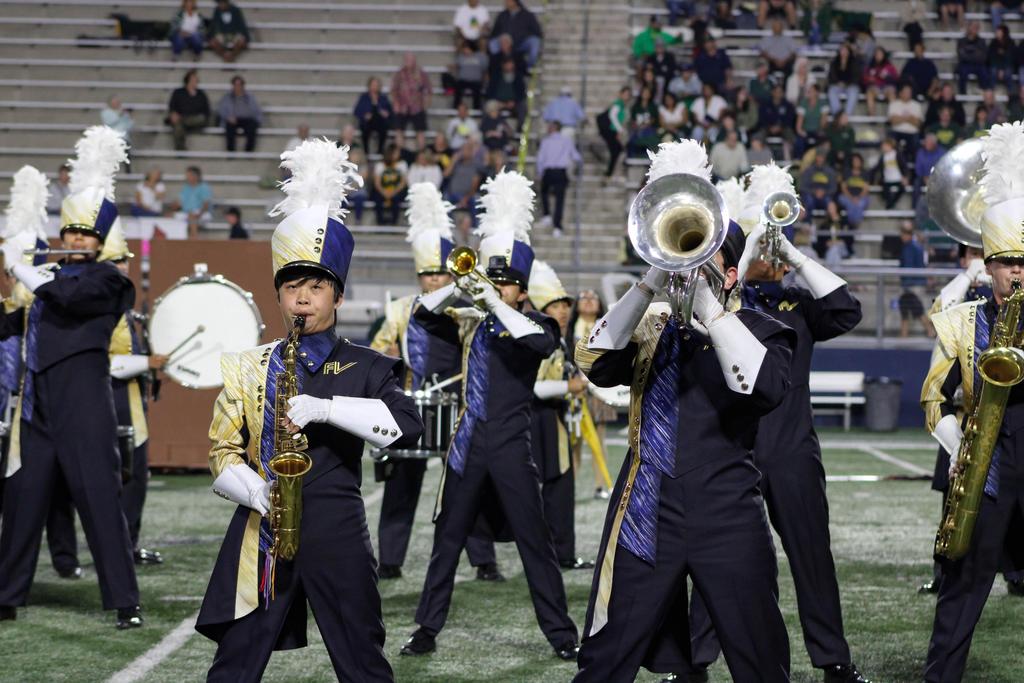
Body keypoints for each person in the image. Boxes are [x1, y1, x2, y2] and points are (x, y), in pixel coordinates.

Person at [196, 139, 422, 681]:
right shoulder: (249, 366)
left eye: (317, 286)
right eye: (292, 286)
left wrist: (326, 407)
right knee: (234, 661)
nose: (302, 297)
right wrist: (257, 493)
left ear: (337, 297)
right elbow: (221, 451)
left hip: (337, 530)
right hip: (261, 526)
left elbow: (407, 428)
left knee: (362, 660)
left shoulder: (368, 364)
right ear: (278, 296)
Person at [573, 140, 795, 682]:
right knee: (606, 654)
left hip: (728, 509)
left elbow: (764, 388)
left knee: (759, 656)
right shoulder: (649, 325)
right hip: (644, 506)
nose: (690, 266)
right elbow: (593, 361)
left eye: (704, 254)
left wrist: (710, 311)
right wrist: (651, 277)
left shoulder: (761, 330)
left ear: (732, 273)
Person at [684, 164, 870, 683]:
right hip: (731, 453)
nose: (768, 252)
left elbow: (846, 310)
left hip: (790, 450)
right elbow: (717, 300)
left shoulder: (799, 304)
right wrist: (744, 255)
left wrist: (794, 255)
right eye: (759, 243)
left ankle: (833, 659)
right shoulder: (725, 298)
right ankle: (696, 659)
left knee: (812, 555)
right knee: (716, 557)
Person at [400, 170, 579, 660]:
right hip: (467, 444)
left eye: (505, 283)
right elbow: (422, 313)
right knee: (447, 539)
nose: (496, 288)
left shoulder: (533, 321)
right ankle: (426, 629)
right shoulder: (470, 320)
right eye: (493, 280)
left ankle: (562, 635)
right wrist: (461, 282)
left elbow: (541, 343)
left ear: (521, 290)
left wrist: (496, 305)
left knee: (534, 541)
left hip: (510, 443)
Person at [0, 127, 141, 629]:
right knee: (22, 503)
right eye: (72, 233)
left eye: (86, 234)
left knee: (100, 503)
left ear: (100, 241)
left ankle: (125, 601)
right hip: (39, 409)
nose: (77, 240)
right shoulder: (49, 279)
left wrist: (23, 269)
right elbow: (14, 325)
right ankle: (6, 595)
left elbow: (69, 299)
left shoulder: (109, 280)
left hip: (84, 408)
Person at [921, 121, 1024, 681]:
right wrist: (964, 448)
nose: (1017, 272)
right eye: (1008, 262)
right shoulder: (961, 321)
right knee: (964, 587)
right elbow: (933, 398)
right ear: (989, 266)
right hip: (988, 467)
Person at [369, 184, 500, 581]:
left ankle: (484, 560)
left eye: (440, 273)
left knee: (465, 481)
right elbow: (376, 354)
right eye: (427, 275)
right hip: (412, 403)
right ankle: (390, 559)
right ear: (419, 276)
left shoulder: (466, 308)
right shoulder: (398, 309)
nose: (433, 281)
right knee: (401, 484)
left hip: (457, 404)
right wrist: (388, 353)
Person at [918, 242, 991, 596]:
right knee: (953, 497)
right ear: (962, 259)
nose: (978, 259)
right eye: (971, 254)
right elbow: (938, 312)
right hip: (959, 419)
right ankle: (944, 569)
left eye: (983, 253)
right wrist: (966, 276)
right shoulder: (960, 294)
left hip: (993, 410)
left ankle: (1015, 572)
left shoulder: (1003, 294)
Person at [527, 261, 593, 571]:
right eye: (555, 306)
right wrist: (568, 386)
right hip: (537, 420)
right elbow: (533, 387)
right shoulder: (539, 341)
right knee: (542, 491)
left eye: (565, 305)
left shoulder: (562, 340)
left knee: (561, 489)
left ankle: (562, 553)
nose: (563, 311)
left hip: (555, 420)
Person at [107, 249, 169, 566]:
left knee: (136, 480)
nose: (122, 266)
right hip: (110, 402)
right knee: (119, 481)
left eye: (123, 260)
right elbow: (104, 362)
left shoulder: (126, 308)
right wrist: (147, 362)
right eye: (114, 261)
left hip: (130, 403)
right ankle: (110, 551)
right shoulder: (100, 309)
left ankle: (126, 547)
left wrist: (150, 368)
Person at [567, 290, 615, 499]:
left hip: (599, 390)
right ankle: (570, 487)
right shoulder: (569, 331)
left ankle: (600, 485)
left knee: (599, 439)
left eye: (593, 297)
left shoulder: (608, 329)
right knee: (574, 440)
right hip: (574, 391)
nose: (587, 301)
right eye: (583, 297)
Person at [536, 122, 581, 237]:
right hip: (561, 173)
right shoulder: (567, 141)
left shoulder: (546, 141)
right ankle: (557, 226)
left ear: (553, 128)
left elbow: (540, 159)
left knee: (544, 192)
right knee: (559, 199)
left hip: (549, 172)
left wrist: (540, 173)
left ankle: (547, 215)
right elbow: (576, 156)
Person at [897, 222, 933, 338]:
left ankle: (930, 331)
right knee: (906, 311)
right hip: (912, 284)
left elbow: (908, 268)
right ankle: (904, 335)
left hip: (912, 285)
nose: (902, 236)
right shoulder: (912, 246)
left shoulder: (911, 248)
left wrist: (906, 286)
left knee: (917, 310)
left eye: (903, 233)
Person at [391, 53, 433, 151]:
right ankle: (400, 153)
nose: (409, 62)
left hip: (417, 107)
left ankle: (421, 153)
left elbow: (428, 89)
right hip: (402, 107)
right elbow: (394, 90)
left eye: (411, 60)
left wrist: (426, 102)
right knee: (398, 130)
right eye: (407, 60)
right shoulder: (399, 74)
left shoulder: (421, 74)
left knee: (420, 131)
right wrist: (395, 103)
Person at [488, 0, 543, 68]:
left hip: (521, 43)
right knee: (493, 43)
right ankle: (497, 67)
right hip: (504, 43)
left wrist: (522, 36)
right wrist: (503, 39)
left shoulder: (527, 15)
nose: (506, 2)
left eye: (508, 1)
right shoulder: (502, 15)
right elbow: (494, 32)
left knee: (535, 41)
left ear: (515, 2)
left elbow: (537, 32)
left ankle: (528, 67)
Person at [443, 137, 485, 223]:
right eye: (462, 150)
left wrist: (465, 199)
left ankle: (475, 226)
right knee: (445, 198)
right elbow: (445, 174)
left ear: (471, 151)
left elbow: (474, 185)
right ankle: (448, 226)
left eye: (466, 150)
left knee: (476, 199)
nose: (463, 152)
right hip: (453, 194)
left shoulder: (476, 165)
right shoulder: (457, 163)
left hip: (469, 195)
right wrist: (453, 161)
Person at [166, 69, 209, 151]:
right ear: (188, 80)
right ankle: (180, 149)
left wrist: (179, 117)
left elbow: (206, 111)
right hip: (181, 119)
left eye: (196, 79)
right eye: (194, 79)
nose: (196, 81)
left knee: (199, 118)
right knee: (178, 126)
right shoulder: (178, 92)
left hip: (196, 119)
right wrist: (173, 114)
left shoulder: (201, 94)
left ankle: (181, 120)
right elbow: (172, 107)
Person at [217, 75, 261, 153]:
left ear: (243, 86)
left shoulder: (250, 97)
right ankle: (231, 152)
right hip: (232, 119)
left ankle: (248, 152)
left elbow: (256, 110)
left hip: (247, 119)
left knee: (253, 126)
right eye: (236, 85)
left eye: (239, 85)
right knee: (229, 126)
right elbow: (221, 110)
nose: (238, 87)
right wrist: (228, 117)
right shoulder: (227, 97)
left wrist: (256, 120)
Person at [597, 87, 630, 182]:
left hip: (614, 131)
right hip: (611, 131)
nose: (626, 96)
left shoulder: (623, 106)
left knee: (617, 151)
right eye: (625, 94)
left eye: (628, 95)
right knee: (616, 151)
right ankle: (608, 174)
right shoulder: (618, 104)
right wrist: (619, 130)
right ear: (621, 94)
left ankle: (609, 173)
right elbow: (612, 116)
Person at [353, 77, 393, 156]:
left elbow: (390, 112)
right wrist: (364, 115)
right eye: (373, 85)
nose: (375, 87)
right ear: (369, 86)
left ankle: (380, 150)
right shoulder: (364, 97)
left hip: (380, 122)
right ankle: (366, 151)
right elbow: (356, 111)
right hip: (368, 122)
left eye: (376, 85)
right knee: (364, 129)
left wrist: (386, 113)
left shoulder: (383, 97)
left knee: (384, 128)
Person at [887, 83, 923, 167]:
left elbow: (918, 123)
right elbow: (893, 121)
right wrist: (910, 118)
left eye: (909, 92)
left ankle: (915, 167)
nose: (908, 94)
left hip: (912, 133)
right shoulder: (894, 104)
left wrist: (900, 118)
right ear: (900, 93)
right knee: (890, 141)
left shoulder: (916, 105)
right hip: (896, 132)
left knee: (916, 143)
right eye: (906, 92)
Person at [372, 144, 409, 226]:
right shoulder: (380, 165)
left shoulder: (402, 164)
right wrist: (384, 193)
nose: (399, 154)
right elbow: (377, 183)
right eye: (396, 152)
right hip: (382, 190)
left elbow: (403, 183)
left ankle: (394, 222)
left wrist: (393, 192)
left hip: (397, 191)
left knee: (396, 199)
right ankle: (380, 222)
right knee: (377, 199)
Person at [486, 57, 527, 130]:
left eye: (511, 64)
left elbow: (522, 93)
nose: (509, 67)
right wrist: (501, 102)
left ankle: (520, 129)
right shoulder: (496, 76)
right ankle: (488, 128)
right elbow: (490, 91)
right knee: (489, 105)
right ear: (503, 65)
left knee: (523, 106)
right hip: (498, 101)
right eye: (507, 64)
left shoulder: (518, 76)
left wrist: (514, 101)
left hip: (514, 102)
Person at [174, 166, 213, 238]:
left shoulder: (204, 187)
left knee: (192, 218)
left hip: (202, 213)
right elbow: (179, 202)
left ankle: (194, 240)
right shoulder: (186, 188)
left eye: (189, 175)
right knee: (168, 216)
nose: (187, 177)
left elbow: (206, 205)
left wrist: (198, 214)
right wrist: (175, 205)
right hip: (186, 213)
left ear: (196, 176)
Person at [827, 43, 861, 118]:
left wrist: (847, 83)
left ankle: (846, 115)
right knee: (831, 91)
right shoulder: (834, 62)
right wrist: (838, 83)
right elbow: (831, 76)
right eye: (842, 50)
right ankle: (837, 114)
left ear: (849, 52)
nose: (844, 52)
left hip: (850, 85)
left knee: (854, 91)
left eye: (845, 50)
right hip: (837, 85)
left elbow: (856, 77)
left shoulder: (854, 62)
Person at [794, 84, 829, 159]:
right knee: (799, 142)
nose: (809, 92)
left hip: (818, 130)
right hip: (805, 131)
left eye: (811, 91)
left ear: (817, 92)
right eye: (809, 91)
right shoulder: (803, 103)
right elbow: (799, 122)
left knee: (825, 142)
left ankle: (822, 161)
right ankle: (799, 160)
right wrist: (801, 131)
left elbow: (823, 121)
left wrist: (820, 131)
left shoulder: (823, 103)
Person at [873, 138, 908, 210]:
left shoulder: (897, 154)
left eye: (884, 145)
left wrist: (905, 177)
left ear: (889, 145)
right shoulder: (883, 157)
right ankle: (890, 204)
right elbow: (877, 168)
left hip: (898, 178)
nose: (882, 147)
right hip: (887, 179)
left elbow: (904, 166)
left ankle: (891, 203)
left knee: (902, 189)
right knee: (884, 190)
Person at [862, 47, 899, 117]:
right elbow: (864, 79)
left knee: (891, 92)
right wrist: (869, 79)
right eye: (877, 54)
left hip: (887, 87)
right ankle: (872, 115)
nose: (878, 56)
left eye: (880, 54)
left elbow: (896, 79)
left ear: (883, 55)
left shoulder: (889, 66)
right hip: (875, 87)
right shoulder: (870, 66)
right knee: (869, 92)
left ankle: (893, 116)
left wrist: (887, 77)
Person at [956, 21, 991, 94]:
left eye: (977, 27)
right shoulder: (961, 41)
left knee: (984, 72)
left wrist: (969, 54)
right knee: (962, 72)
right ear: (969, 28)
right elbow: (961, 56)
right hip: (965, 65)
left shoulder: (982, 41)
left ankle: (984, 93)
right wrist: (975, 54)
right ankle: (963, 94)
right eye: (973, 27)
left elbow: (983, 57)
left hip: (978, 65)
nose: (975, 29)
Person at [452, 41, 488, 110]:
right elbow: (457, 65)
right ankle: (455, 108)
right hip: (463, 80)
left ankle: (477, 109)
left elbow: (485, 70)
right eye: (464, 48)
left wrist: (484, 80)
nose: (465, 50)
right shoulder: (461, 56)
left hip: (476, 81)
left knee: (477, 90)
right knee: (457, 88)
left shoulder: (481, 56)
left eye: (466, 48)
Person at [988, 24, 1015, 91]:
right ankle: (991, 91)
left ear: (1003, 33)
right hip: (996, 65)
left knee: (1008, 73)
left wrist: (1002, 69)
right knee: (993, 72)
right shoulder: (993, 43)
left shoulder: (1010, 43)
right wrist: (1000, 68)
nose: (996, 33)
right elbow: (992, 57)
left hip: (1007, 66)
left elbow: (1010, 58)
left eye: (998, 31)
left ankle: (1011, 93)